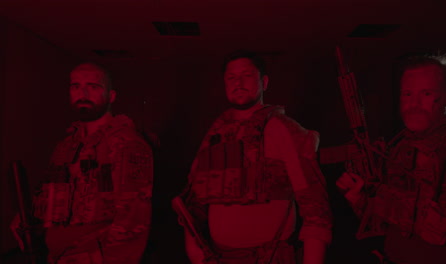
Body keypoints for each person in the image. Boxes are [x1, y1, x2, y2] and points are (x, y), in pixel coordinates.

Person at [176, 50, 332, 264]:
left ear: (264, 82)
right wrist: (194, 252)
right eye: (231, 78)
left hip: (269, 257)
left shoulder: (282, 128)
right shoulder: (216, 133)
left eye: (246, 75)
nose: (238, 82)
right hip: (218, 257)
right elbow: (194, 200)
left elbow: (316, 207)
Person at [11, 63, 153, 264]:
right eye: (75, 86)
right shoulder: (66, 146)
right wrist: (27, 216)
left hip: (95, 256)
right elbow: (50, 195)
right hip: (58, 255)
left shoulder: (126, 144)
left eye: (93, 87)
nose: (82, 93)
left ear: (111, 96)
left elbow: (133, 222)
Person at [336, 54, 446, 264]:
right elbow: (383, 224)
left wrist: (381, 198)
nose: (414, 104)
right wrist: (360, 198)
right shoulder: (399, 146)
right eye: (407, 94)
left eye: (426, 93)